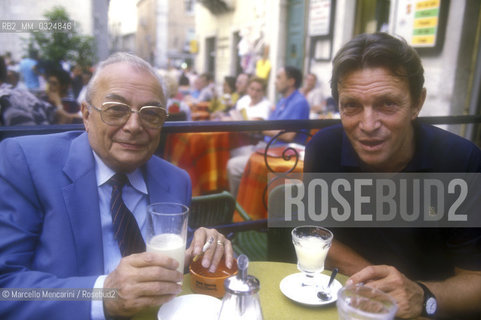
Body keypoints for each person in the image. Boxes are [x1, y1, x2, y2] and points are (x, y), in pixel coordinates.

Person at [0, 52, 233, 319]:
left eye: (151, 114)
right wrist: (103, 296)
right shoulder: (26, 163)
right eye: (116, 110)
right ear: (86, 115)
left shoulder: (175, 179)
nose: (134, 126)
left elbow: (173, 253)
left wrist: (204, 246)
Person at [304, 33, 481, 319]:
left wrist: (421, 296)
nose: (369, 124)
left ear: (417, 104)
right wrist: (382, 289)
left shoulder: (460, 161)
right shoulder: (323, 148)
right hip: (347, 303)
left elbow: (475, 280)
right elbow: (318, 234)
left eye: (387, 104)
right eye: (352, 105)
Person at [227, 66, 309, 198]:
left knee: (233, 166)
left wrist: (258, 128)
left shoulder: (299, 102)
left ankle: (238, 207)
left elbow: (288, 135)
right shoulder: (283, 100)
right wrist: (256, 123)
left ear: (291, 81)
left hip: (282, 154)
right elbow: (270, 126)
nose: (275, 81)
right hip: (269, 148)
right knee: (231, 151)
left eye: (278, 77)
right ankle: (247, 198)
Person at [0, 56, 78, 126]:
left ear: (64, 86)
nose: (50, 87)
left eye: (54, 84)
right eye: (49, 82)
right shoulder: (41, 99)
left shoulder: (70, 103)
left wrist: (58, 104)